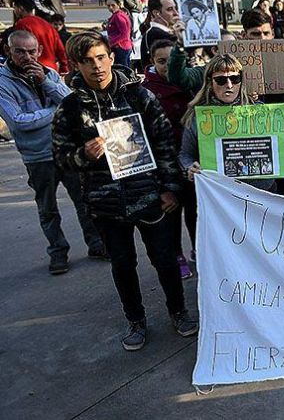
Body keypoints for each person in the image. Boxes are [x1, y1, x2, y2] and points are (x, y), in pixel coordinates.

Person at [51, 31, 197, 351]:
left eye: (101, 58)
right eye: (87, 61)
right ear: (76, 65)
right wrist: (83, 155)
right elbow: (61, 160)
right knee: (122, 264)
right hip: (106, 205)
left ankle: (179, 311)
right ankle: (135, 319)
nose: (97, 66)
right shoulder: (70, 108)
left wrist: (170, 188)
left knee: (165, 261)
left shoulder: (139, 96)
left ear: (112, 57)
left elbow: (164, 144)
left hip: (150, 197)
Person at [0, 30, 107, 274]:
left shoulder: (48, 74)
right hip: (37, 157)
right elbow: (18, 121)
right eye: (20, 52)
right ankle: (58, 252)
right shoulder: (3, 82)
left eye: (31, 51)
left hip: (66, 150)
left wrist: (46, 84)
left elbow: (73, 101)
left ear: (39, 51)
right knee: (47, 208)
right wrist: (56, 112)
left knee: (83, 200)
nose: (27, 57)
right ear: (8, 51)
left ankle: (96, 243)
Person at [180, 54, 284, 192]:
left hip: (263, 193)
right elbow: (185, 154)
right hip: (219, 195)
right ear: (210, 82)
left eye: (235, 79)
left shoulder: (261, 111)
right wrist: (190, 168)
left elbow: (280, 148)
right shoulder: (197, 117)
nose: (229, 85)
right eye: (221, 80)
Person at [142, 40, 195, 278]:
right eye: (161, 61)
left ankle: (199, 251)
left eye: (172, 60)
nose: (167, 66)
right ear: (152, 62)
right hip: (165, 162)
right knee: (171, 212)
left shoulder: (191, 82)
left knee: (195, 211)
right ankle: (177, 255)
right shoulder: (145, 91)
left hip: (193, 158)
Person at [10, 0, 69, 75]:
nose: (14, 11)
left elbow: (20, 47)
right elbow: (60, 48)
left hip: (34, 68)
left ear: (20, 8)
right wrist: (64, 67)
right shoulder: (46, 24)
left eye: (15, 8)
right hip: (51, 69)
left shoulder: (22, 24)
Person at [139, 0, 180, 69]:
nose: (176, 13)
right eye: (170, 9)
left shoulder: (155, 32)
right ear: (156, 13)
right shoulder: (157, 34)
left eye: (176, 8)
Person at [105, 0, 134, 65]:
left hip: (121, 46)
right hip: (123, 46)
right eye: (108, 6)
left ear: (118, 4)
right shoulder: (118, 14)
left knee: (123, 69)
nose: (111, 8)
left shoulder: (118, 16)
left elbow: (124, 34)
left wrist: (110, 43)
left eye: (113, 5)